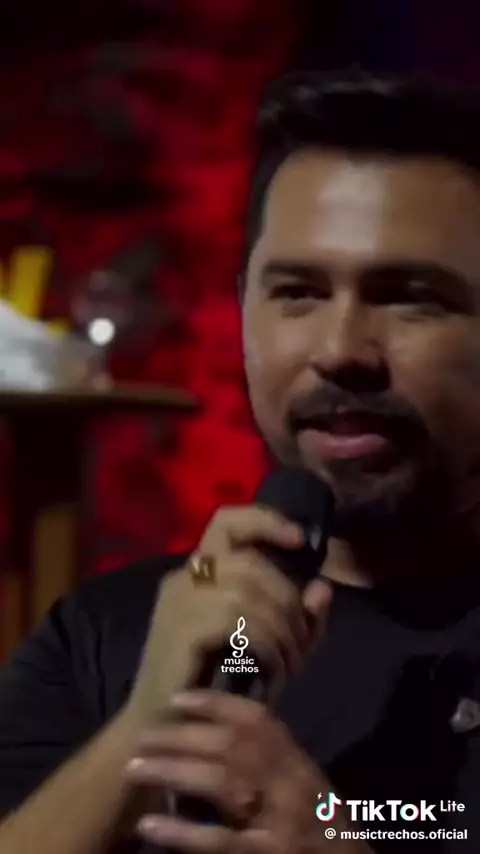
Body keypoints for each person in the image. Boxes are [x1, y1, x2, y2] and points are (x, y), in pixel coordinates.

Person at [2, 69, 480, 854]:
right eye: (298, 292)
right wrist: (143, 731)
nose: (341, 349)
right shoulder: (108, 634)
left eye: (408, 297)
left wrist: (332, 836)